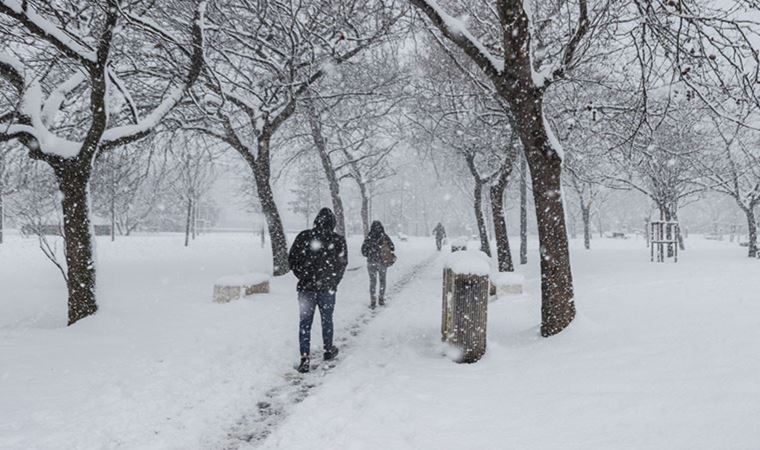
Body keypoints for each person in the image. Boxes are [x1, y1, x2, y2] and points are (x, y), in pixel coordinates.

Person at [288, 208, 348, 373]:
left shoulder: (304, 236)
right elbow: (342, 264)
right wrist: (333, 281)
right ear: (333, 223)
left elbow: (292, 260)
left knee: (305, 323)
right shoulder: (338, 240)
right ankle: (328, 350)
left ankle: (305, 358)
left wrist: (303, 276)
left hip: (306, 288)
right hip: (326, 290)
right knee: (327, 319)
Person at [361, 221, 395, 309]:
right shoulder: (384, 236)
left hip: (371, 262)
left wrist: (370, 253)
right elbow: (392, 247)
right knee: (382, 280)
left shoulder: (369, 237)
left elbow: (363, 251)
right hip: (382, 262)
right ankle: (381, 299)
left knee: (372, 282)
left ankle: (373, 300)